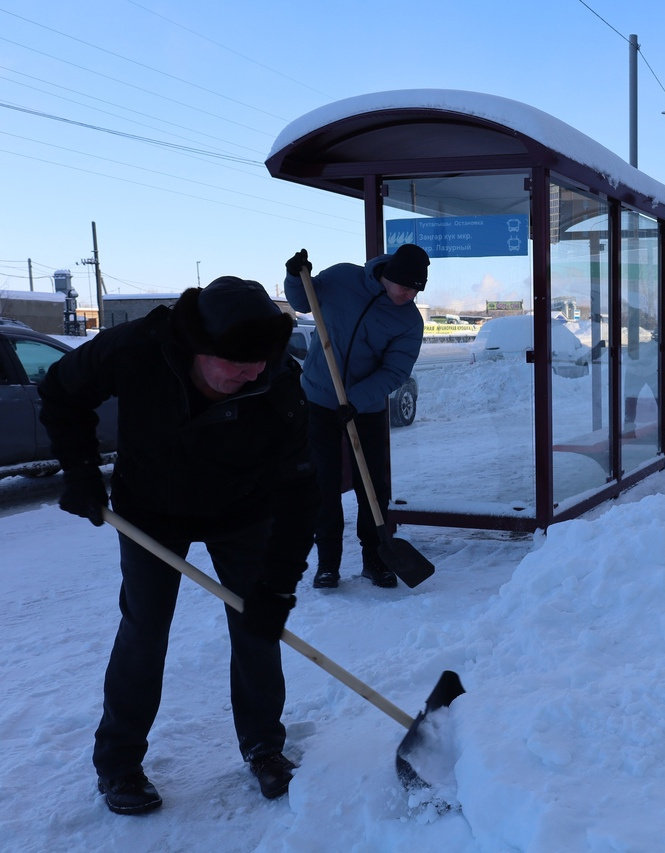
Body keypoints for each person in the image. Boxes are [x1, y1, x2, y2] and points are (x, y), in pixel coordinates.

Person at [38, 277, 318, 814]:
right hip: (151, 512)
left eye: (261, 361)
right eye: (237, 363)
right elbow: (60, 390)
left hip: (243, 511)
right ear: (197, 348)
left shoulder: (278, 386)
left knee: (258, 626)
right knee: (144, 631)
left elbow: (302, 492)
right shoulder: (139, 349)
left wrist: (277, 589)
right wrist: (80, 473)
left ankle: (265, 747)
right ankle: (118, 764)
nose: (251, 372)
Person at [283, 244, 428, 589]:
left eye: (416, 290)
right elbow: (304, 301)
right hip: (319, 398)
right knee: (324, 483)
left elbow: (395, 371)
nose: (409, 295)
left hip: (365, 408)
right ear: (387, 274)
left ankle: (375, 559)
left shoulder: (409, 321)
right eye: (405, 287)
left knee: (373, 487)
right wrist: (293, 276)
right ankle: (327, 563)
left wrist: (356, 400)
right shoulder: (343, 278)